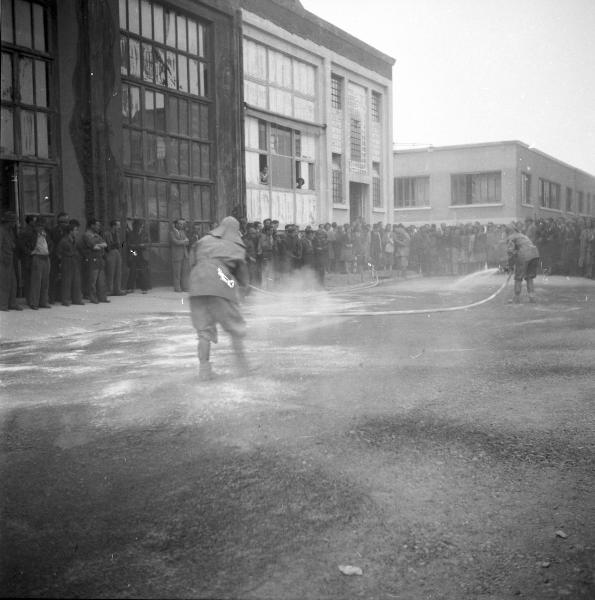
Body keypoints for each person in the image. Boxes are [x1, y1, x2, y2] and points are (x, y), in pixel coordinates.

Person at [188, 216, 251, 381]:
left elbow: (191, 262)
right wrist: (244, 287)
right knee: (235, 327)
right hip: (220, 282)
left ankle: (204, 371)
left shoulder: (203, 240)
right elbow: (242, 273)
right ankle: (243, 368)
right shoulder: (236, 246)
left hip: (197, 284)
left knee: (204, 332)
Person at [506, 223, 540, 303]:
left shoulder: (511, 237)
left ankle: (516, 298)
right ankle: (532, 297)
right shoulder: (522, 235)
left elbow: (510, 252)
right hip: (535, 254)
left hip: (524, 255)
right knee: (529, 277)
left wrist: (510, 266)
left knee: (518, 277)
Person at [25, 217, 52, 310]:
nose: (41, 227)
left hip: (46, 257)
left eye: (43, 225)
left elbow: (51, 243)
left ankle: (43, 302)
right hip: (37, 258)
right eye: (40, 225)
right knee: (36, 282)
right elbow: (22, 244)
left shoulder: (46, 234)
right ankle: (34, 303)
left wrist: (49, 251)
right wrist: (30, 252)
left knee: (45, 281)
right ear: (36, 226)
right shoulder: (31, 234)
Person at [81, 218, 109, 304]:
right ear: (92, 225)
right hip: (92, 258)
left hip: (100, 258)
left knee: (101, 279)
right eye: (97, 225)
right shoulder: (87, 235)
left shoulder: (97, 235)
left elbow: (105, 244)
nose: (98, 227)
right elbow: (93, 246)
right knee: (93, 279)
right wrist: (99, 245)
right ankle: (93, 297)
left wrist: (98, 245)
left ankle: (102, 297)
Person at [57, 219, 84, 306]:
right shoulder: (64, 241)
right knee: (67, 281)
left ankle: (77, 299)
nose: (77, 232)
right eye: (75, 230)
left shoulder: (74, 240)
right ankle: (66, 300)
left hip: (75, 262)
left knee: (76, 281)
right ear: (70, 231)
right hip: (67, 262)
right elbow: (58, 253)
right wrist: (63, 260)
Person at [0, 211, 24, 311]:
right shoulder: (1, 231)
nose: (15, 223)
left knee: (13, 283)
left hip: (10, 260)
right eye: (14, 221)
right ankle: (3, 304)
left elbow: (12, 243)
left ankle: (12, 303)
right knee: (4, 283)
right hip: (3, 261)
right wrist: (3, 258)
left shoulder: (10, 231)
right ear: (8, 222)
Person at [126, 219, 151, 293]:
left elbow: (149, 243)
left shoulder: (145, 233)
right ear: (135, 226)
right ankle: (130, 288)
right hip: (134, 254)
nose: (140, 227)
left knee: (143, 271)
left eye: (141, 225)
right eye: (139, 225)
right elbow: (129, 245)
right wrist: (135, 251)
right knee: (132, 271)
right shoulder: (131, 234)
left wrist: (143, 245)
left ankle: (144, 288)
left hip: (143, 254)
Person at [104, 219, 125, 296]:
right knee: (110, 272)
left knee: (118, 271)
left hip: (116, 252)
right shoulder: (107, 234)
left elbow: (119, 244)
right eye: (118, 225)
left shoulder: (117, 234)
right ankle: (109, 290)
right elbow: (107, 245)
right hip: (110, 253)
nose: (119, 227)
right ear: (113, 226)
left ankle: (117, 289)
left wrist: (117, 245)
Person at [169, 218, 190, 292]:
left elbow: (187, 242)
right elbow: (175, 242)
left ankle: (185, 287)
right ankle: (177, 288)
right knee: (177, 273)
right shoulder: (172, 232)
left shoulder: (182, 232)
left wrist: (182, 241)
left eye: (182, 224)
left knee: (185, 272)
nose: (181, 225)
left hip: (184, 254)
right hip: (176, 255)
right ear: (176, 224)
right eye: (180, 224)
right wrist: (184, 241)